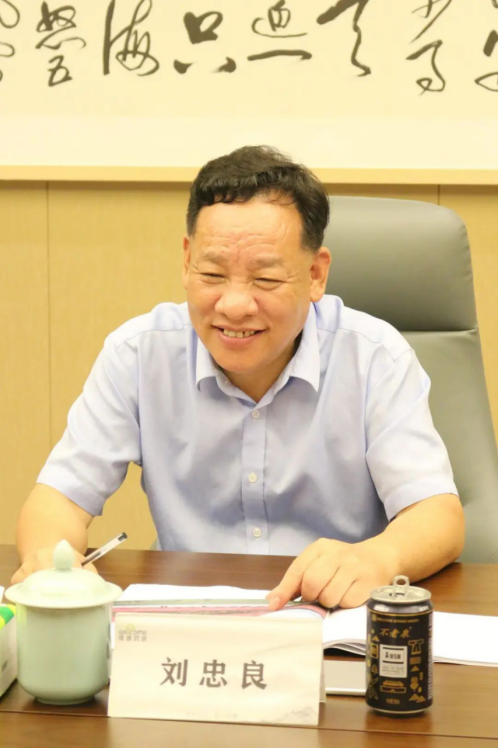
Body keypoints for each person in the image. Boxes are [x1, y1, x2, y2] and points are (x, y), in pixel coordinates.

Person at [12, 146, 465, 610]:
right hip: (187, 621)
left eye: (265, 280)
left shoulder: (374, 357)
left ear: (315, 274)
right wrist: (49, 560)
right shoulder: (139, 354)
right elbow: (59, 499)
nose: (233, 306)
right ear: (186, 261)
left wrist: (379, 557)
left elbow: (437, 515)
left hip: (331, 615)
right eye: (212, 273)